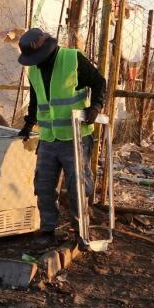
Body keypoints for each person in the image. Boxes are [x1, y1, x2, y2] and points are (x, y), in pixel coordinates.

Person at [16, 28, 107, 241]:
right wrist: (29, 124)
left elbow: (99, 82)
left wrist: (95, 107)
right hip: (48, 138)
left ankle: (80, 229)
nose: (35, 62)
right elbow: (37, 101)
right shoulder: (34, 70)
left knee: (78, 187)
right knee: (44, 187)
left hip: (75, 136)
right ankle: (48, 229)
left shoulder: (72, 59)